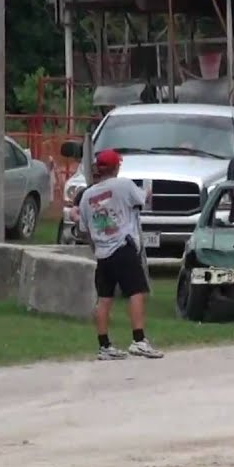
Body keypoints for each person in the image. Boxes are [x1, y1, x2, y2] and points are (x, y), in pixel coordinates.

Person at [76, 149, 164, 361]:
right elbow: (142, 199)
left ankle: (104, 345)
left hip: (103, 252)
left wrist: (96, 245)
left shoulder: (87, 195)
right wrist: (148, 192)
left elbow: (83, 228)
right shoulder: (124, 185)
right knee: (136, 292)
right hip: (123, 247)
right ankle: (139, 340)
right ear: (116, 167)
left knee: (104, 298)